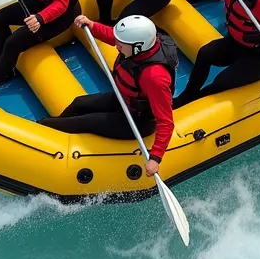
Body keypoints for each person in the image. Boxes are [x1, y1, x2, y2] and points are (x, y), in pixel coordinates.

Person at [40, 14, 176, 177]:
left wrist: (155, 158)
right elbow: (114, 36)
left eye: (120, 43)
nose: (116, 45)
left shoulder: (154, 77)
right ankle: (47, 129)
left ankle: (42, 133)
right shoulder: (141, 44)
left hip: (139, 121)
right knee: (79, 103)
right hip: (125, 100)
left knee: (84, 122)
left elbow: (166, 122)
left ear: (138, 47)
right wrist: (91, 25)